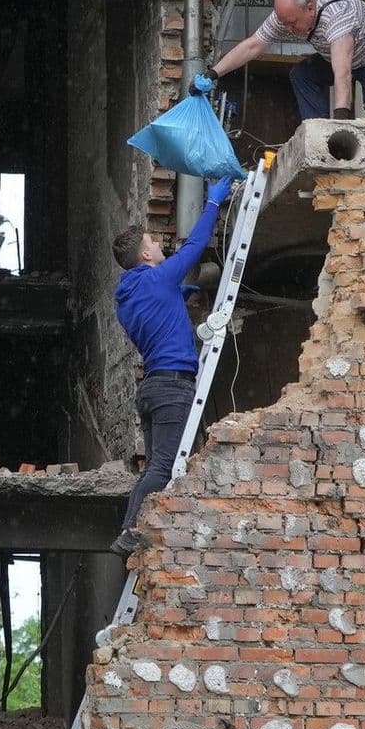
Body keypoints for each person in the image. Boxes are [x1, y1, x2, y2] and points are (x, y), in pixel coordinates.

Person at [107, 173, 235, 556]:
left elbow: (155, 312)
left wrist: (178, 294)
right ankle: (130, 532)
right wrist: (213, 201)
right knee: (164, 467)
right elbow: (194, 246)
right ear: (145, 256)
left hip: (152, 389)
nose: (159, 243)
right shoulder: (158, 279)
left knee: (156, 468)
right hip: (172, 388)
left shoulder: (128, 298)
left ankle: (143, 533)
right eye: (153, 242)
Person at [204, 0, 365, 121]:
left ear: (310, 8)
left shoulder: (337, 17)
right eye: (284, 23)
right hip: (344, 56)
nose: (288, 29)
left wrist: (341, 119)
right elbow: (252, 46)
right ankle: (316, 131)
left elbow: (342, 73)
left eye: (292, 24)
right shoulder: (287, 15)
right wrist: (212, 73)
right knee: (302, 75)